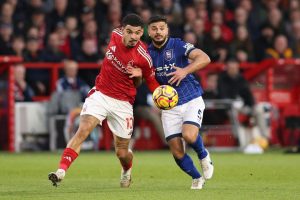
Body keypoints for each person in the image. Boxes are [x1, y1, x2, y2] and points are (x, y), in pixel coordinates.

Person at [48, 14, 159, 188]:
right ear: (122, 30)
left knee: (122, 152)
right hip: (101, 94)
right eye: (130, 32)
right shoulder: (114, 34)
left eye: (138, 33)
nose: (134, 37)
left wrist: (141, 75)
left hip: (123, 102)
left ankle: (126, 170)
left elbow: (150, 81)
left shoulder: (143, 56)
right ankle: (60, 171)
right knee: (83, 130)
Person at [147, 15, 213, 190]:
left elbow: (205, 58)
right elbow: (145, 78)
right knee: (177, 152)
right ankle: (197, 178)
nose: (158, 32)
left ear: (167, 30)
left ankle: (203, 154)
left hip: (191, 98)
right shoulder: (147, 54)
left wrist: (184, 70)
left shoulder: (177, 45)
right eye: (154, 28)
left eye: (161, 28)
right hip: (169, 106)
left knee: (189, 135)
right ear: (149, 31)